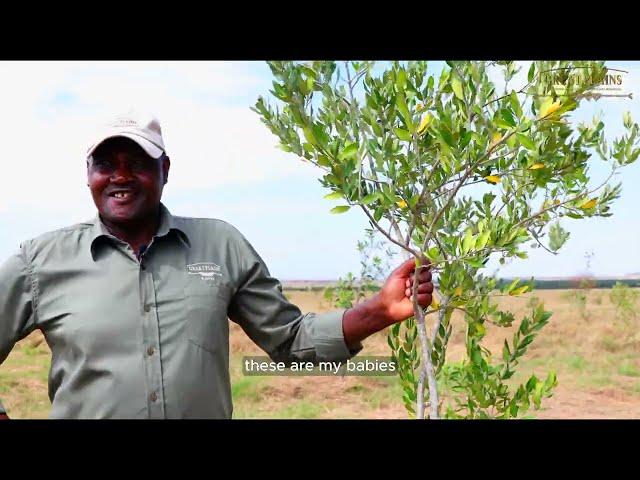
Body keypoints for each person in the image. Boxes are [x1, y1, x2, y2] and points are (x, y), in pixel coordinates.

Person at [0, 110, 434, 419]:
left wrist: (379, 310)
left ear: (165, 169)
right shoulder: (40, 262)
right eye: (105, 164)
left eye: (137, 164)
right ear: (88, 173)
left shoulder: (219, 245)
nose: (120, 176)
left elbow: (289, 341)